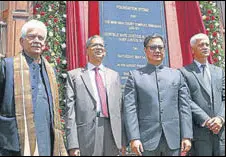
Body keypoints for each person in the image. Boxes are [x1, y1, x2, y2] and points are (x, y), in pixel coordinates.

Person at [0, 19, 67, 156]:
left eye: (41, 38)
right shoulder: (8, 66)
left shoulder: (50, 71)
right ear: (21, 41)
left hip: (46, 139)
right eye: (31, 36)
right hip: (15, 140)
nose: (37, 40)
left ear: (44, 44)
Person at [123, 33, 193, 156]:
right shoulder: (135, 76)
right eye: (153, 47)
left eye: (160, 47)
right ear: (145, 50)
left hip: (173, 139)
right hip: (146, 139)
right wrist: (134, 138)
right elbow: (130, 109)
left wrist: (186, 135)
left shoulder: (176, 75)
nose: (157, 50)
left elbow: (184, 107)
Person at [64, 35, 126, 156]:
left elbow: (121, 110)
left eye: (101, 45)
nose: (99, 48)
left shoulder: (114, 76)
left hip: (112, 132)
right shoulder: (75, 76)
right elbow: (69, 112)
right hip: (86, 134)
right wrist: (73, 144)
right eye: (94, 45)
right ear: (87, 50)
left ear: (105, 51)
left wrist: (122, 140)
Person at [179, 33, 225, 156]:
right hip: (200, 135)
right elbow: (185, 100)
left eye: (207, 44)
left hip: (221, 134)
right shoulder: (184, 72)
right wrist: (206, 120)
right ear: (193, 50)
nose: (205, 47)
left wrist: (220, 119)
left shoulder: (219, 72)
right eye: (201, 45)